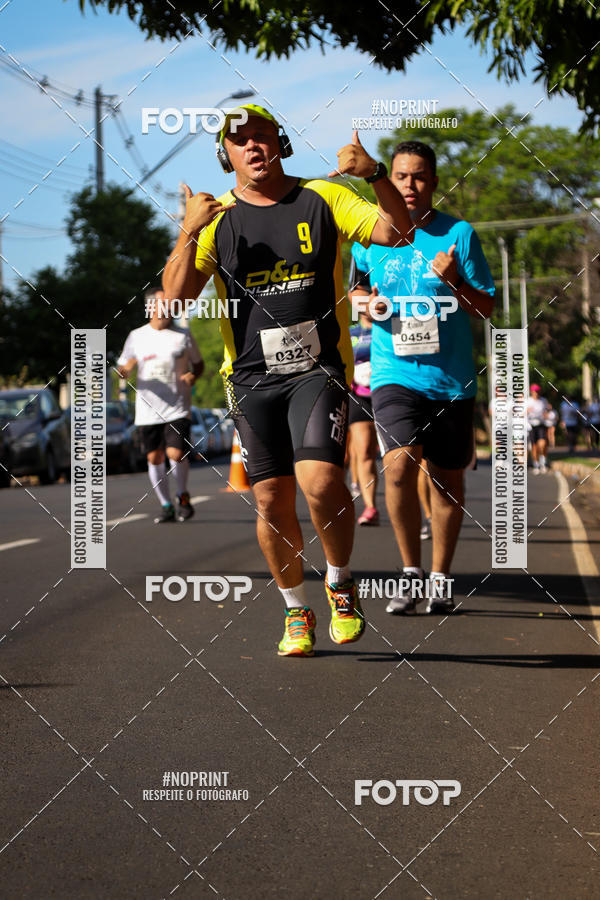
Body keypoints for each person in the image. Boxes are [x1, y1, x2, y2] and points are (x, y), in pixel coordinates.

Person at [162, 104, 412, 656]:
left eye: (263, 136)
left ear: (282, 142)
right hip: (251, 380)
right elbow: (175, 297)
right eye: (240, 141)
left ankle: (341, 581)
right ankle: (296, 610)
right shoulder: (216, 217)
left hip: (317, 369)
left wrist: (373, 175)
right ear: (225, 155)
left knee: (321, 482)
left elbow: (396, 231)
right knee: (272, 501)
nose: (253, 147)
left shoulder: (323, 195)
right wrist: (187, 229)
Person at [351, 140, 495, 614]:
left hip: (450, 380)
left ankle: (440, 578)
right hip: (393, 371)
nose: (408, 185)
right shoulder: (370, 236)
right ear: (388, 180)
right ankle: (410, 572)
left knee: (446, 482)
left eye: (417, 177)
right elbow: (355, 289)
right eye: (399, 177)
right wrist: (364, 305)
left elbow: (487, 308)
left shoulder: (459, 234)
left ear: (433, 181)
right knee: (397, 466)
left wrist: (455, 281)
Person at [117, 287, 204, 522]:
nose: (168, 309)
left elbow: (199, 364)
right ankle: (166, 504)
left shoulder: (182, 335)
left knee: (176, 453)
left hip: (177, 407)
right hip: (147, 410)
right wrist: (124, 371)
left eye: (171, 305)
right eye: (163, 304)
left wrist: (193, 376)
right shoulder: (137, 336)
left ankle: (182, 495)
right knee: (154, 458)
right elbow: (124, 364)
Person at [347, 257, 379, 526]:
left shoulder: (386, 331)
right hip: (358, 396)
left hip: (387, 391)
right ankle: (370, 507)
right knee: (364, 450)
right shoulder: (350, 332)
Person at [526, 384, 551, 473]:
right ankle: (536, 464)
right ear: (531, 392)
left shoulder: (543, 401)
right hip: (531, 426)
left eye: (537, 391)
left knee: (542, 444)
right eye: (534, 391)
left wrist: (546, 415)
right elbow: (521, 413)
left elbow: (547, 411)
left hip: (541, 425)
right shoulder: (528, 401)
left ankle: (543, 463)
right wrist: (527, 411)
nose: (536, 393)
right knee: (534, 447)